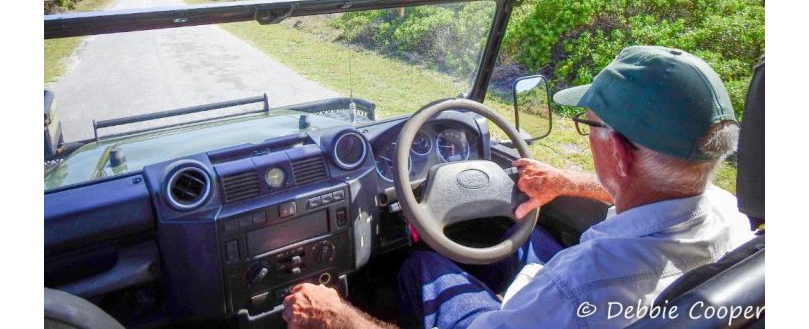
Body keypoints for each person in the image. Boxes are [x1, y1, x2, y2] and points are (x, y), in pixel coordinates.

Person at [282, 46, 754, 328]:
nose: (586, 134)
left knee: (422, 263)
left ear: (621, 155)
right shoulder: (730, 215)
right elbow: (659, 192)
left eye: (588, 125)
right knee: (514, 238)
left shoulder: (575, 289)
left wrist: (337, 316)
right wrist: (567, 181)